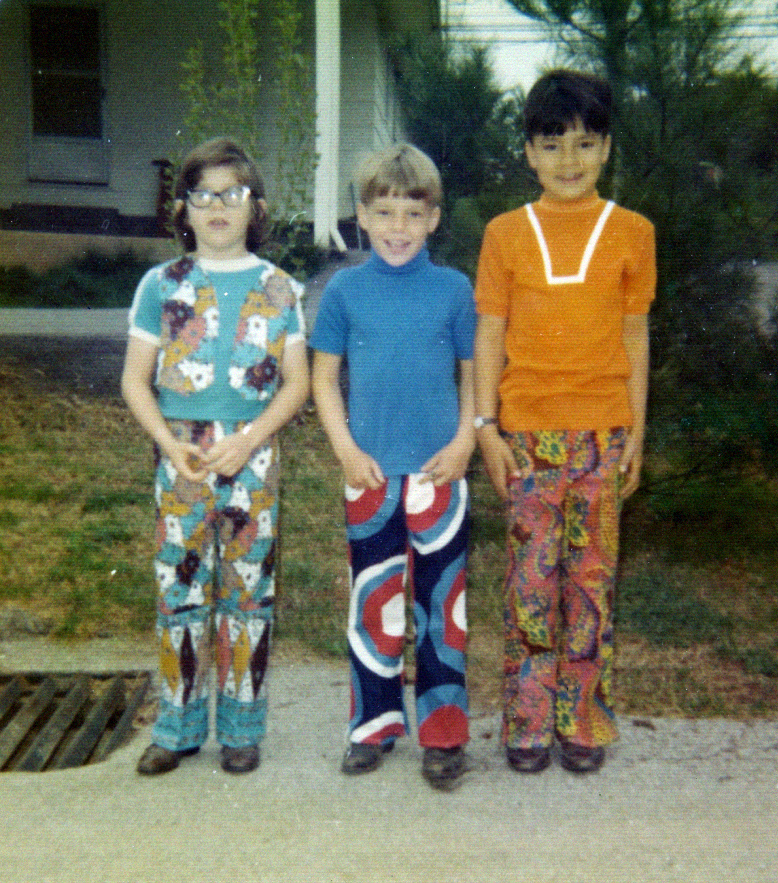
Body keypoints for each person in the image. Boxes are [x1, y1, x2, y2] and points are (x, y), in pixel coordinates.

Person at [473, 70, 656, 775]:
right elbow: (490, 332)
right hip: (527, 438)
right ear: (529, 153)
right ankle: (526, 723)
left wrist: (636, 430)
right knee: (531, 584)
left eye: (584, 143)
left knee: (590, 585)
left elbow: (635, 334)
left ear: (606, 148)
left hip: (604, 435)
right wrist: (487, 427)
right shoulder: (505, 234)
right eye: (551, 145)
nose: (569, 160)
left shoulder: (633, 233)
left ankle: (582, 721)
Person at [121, 137, 309, 776]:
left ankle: (241, 729)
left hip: (252, 456)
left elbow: (297, 384)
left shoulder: (279, 288)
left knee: (248, 592)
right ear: (184, 210)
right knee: (179, 592)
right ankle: (175, 728)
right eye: (203, 196)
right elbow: (134, 380)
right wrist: (169, 443)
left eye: (232, 194)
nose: (218, 207)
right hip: (181, 458)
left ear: (255, 207)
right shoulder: (161, 285)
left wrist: (249, 440)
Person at [310, 143, 476, 790]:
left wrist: (464, 442)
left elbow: (474, 376)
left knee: (442, 607)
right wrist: (346, 451)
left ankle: (443, 733)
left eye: (412, 214)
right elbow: (324, 380)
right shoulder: (344, 291)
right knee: (374, 602)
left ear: (433, 218)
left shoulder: (454, 290)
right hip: (371, 477)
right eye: (384, 213)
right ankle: (372, 725)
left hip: (440, 475)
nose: (398, 228)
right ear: (361, 216)